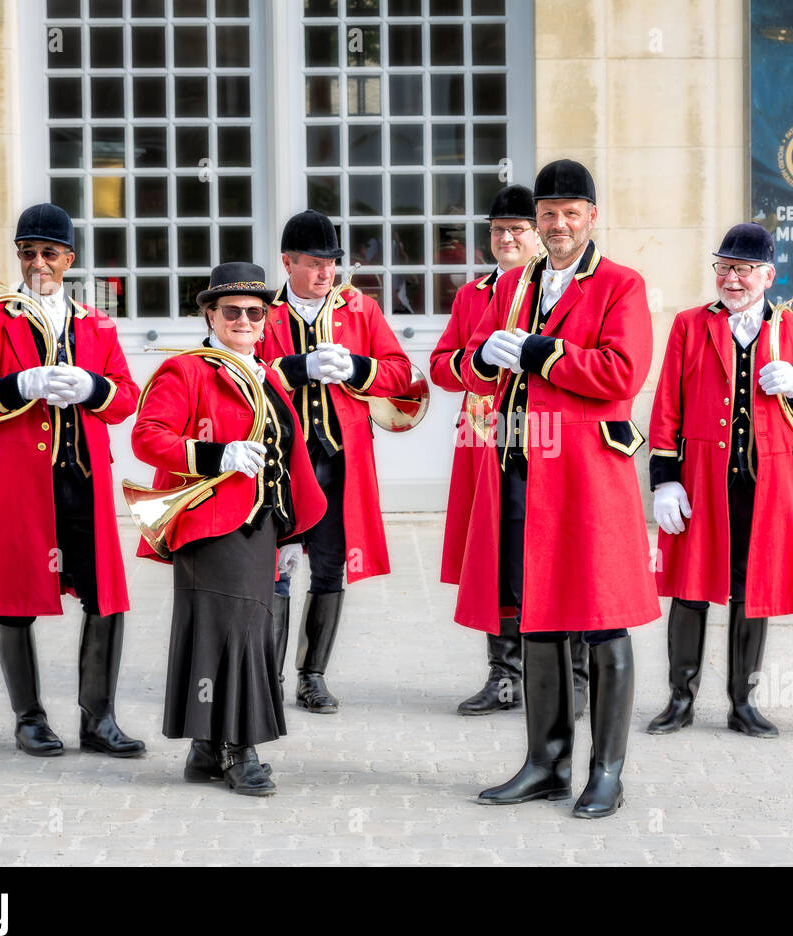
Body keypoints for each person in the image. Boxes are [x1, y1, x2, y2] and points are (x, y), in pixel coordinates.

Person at [457, 160, 660, 818]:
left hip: (589, 475)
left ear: (591, 217)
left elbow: (621, 373)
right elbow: (470, 359)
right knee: (539, 620)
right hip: (524, 465)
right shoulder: (515, 284)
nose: (559, 224)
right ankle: (545, 763)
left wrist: (544, 353)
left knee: (602, 619)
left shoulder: (621, 285)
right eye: (548, 214)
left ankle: (607, 772)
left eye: (571, 213)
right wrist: (484, 359)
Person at [0, 202, 144, 758]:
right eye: (27, 253)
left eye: (48, 253)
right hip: (16, 483)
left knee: (106, 598)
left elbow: (126, 398)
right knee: (16, 600)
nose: (37, 263)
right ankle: (28, 719)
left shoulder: (96, 324)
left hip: (82, 480)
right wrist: (18, 384)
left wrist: (91, 388)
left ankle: (97, 720)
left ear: (69, 259)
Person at [132, 262, 327, 795]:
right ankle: (240, 748)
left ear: (266, 320)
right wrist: (216, 454)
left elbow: (284, 461)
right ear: (210, 315)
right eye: (232, 311)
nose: (244, 319)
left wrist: (287, 537)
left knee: (236, 632)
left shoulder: (266, 374)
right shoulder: (188, 370)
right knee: (235, 632)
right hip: (210, 525)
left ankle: (204, 746)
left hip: (260, 526)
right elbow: (147, 437)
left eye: (254, 312)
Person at [646, 224, 793, 738]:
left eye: (744, 269)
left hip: (768, 480)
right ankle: (679, 700)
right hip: (702, 479)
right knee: (689, 589)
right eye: (724, 268)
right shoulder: (689, 325)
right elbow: (667, 403)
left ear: (768, 276)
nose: (732, 279)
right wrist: (665, 479)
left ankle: (742, 703)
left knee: (750, 592)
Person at [430, 183, 590, 718]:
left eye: (517, 229)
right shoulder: (472, 293)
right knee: (497, 556)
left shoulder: (554, 287)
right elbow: (441, 366)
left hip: (550, 437)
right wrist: (477, 362)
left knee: (557, 551)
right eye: (497, 230)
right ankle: (505, 676)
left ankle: (574, 677)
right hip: (486, 437)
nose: (506, 238)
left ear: (537, 236)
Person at [256, 211, 414, 714]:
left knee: (329, 570)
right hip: (280, 463)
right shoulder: (263, 311)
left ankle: (312, 676)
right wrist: (294, 369)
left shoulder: (359, 309)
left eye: (331, 264)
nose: (326, 274)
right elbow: (239, 372)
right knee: (276, 568)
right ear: (287, 262)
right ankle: (265, 677)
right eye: (314, 264)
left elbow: (401, 373)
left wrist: (359, 366)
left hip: (339, 461)